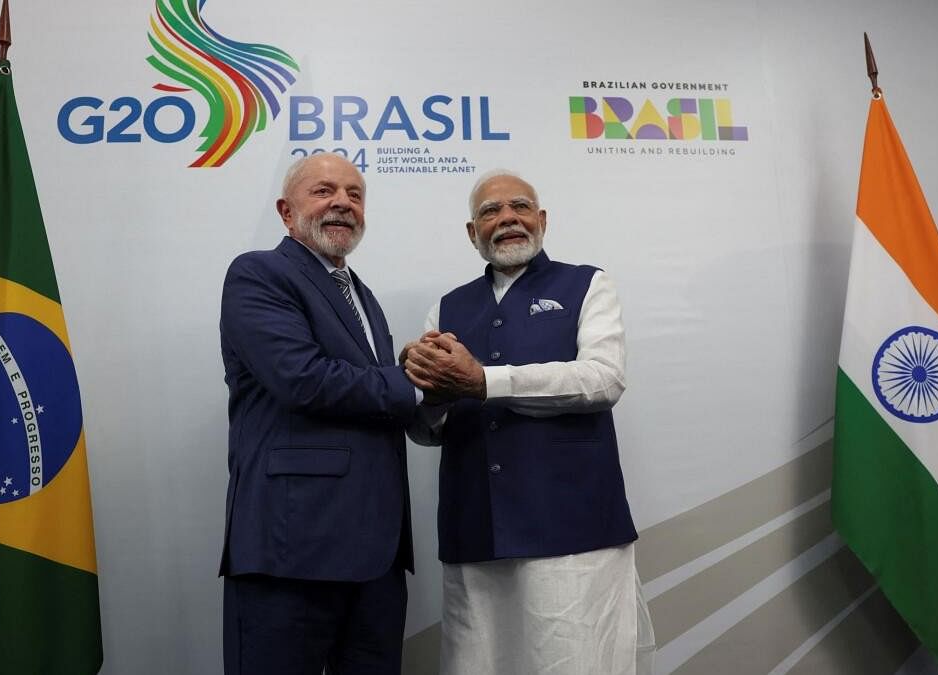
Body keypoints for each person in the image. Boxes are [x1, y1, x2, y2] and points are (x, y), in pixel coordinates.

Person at [403, 170, 655, 675]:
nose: (507, 218)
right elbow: (427, 431)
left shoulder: (586, 283)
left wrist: (484, 381)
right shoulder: (446, 308)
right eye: (490, 212)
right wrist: (429, 397)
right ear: (473, 234)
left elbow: (604, 379)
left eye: (519, 206)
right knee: (479, 664)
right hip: (474, 529)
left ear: (541, 220)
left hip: (572, 526)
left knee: (576, 662)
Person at [219, 152, 417, 675]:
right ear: (286, 212)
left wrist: (424, 374)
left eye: (355, 195)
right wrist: (413, 384)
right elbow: (303, 380)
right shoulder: (259, 273)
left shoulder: (363, 296)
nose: (342, 204)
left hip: (375, 556)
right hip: (292, 547)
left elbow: (371, 393)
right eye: (324, 191)